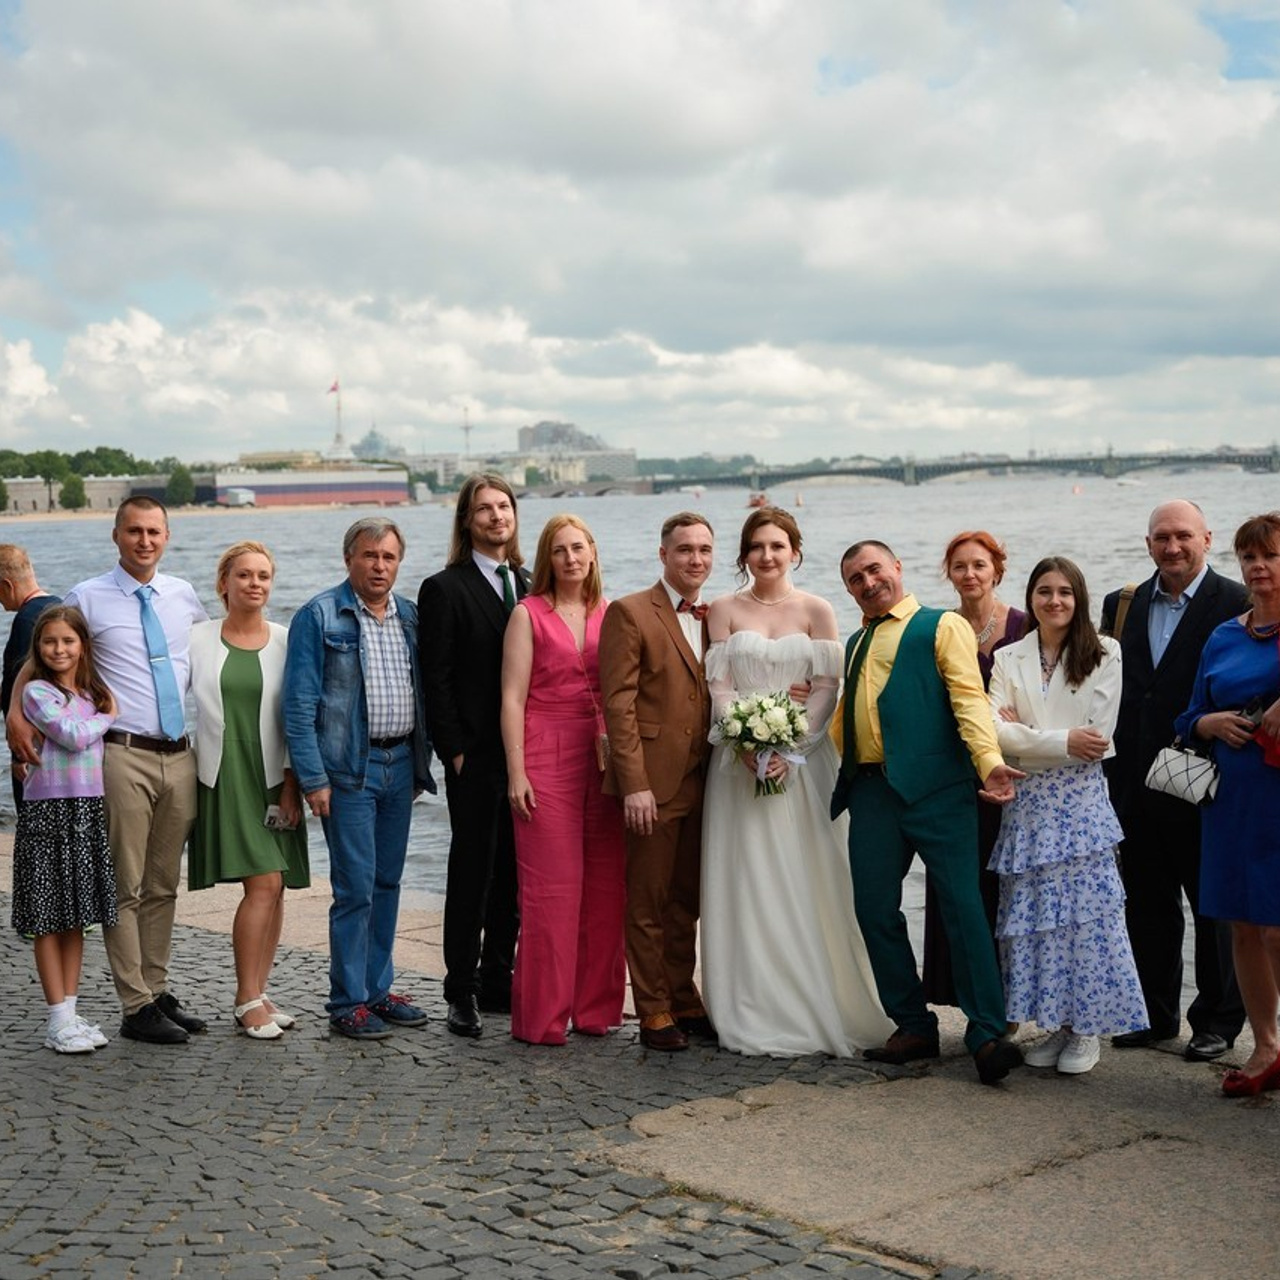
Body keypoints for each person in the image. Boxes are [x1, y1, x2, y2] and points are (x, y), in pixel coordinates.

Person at [8, 497, 210, 1045]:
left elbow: (209, 658)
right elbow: (43, 652)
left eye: (154, 532)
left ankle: (158, 986)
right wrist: (12, 714)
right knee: (125, 881)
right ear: (115, 535)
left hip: (179, 753)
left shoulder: (183, 595)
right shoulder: (87, 597)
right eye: (134, 531)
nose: (145, 541)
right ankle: (134, 1002)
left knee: (165, 883)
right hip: (120, 753)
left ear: (167, 536)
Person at [830, 540, 1025, 1085]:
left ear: (897, 567)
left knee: (963, 907)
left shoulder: (941, 626)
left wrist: (988, 763)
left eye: (873, 569)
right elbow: (855, 714)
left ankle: (987, 1034)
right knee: (873, 908)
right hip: (872, 793)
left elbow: (968, 698)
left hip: (940, 790)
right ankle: (913, 1024)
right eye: (854, 578)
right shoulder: (854, 640)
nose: (867, 582)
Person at [700, 508, 892, 1056]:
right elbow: (720, 688)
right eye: (757, 546)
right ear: (744, 555)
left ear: (795, 551)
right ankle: (753, 1003)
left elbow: (828, 687)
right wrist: (744, 744)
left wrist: (789, 748)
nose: (767, 555)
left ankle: (819, 997)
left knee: (810, 876)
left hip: (803, 765)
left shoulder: (817, 609)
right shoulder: (723, 610)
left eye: (778, 546)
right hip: (737, 768)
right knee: (748, 877)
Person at [988, 557, 1147, 1075]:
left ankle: (1087, 1031)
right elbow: (994, 733)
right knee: (1039, 922)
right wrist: (1057, 737)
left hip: (1079, 807)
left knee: (1087, 919)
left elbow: (1096, 739)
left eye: (1064, 592)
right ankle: (1056, 1022)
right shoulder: (1009, 656)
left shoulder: (1105, 652)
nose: (1053, 601)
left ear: (1078, 597)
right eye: (1043, 592)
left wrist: (1028, 734)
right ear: (1030, 597)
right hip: (1028, 806)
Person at [1102, 500, 1247, 1061]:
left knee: (1211, 905)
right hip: (1132, 780)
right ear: (1147, 544)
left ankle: (1217, 1022)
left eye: (1183, 536)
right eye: (1161, 537)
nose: (1172, 547)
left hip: (1206, 778)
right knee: (1145, 903)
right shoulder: (1122, 605)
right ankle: (1154, 1016)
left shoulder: (1234, 601)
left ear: (1207, 539)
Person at [284, 517, 436, 1041]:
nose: (379, 565)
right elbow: (299, 707)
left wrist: (422, 763)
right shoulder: (320, 615)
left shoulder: (411, 618)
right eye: (369, 556)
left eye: (389, 557)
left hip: (399, 769)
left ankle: (377, 990)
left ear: (399, 562)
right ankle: (347, 1001)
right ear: (349, 558)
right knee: (355, 889)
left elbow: (425, 696)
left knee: (388, 883)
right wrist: (312, 780)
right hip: (349, 772)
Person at [501, 515, 627, 1045]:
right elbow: (511, 697)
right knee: (551, 892)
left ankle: (597, 1010)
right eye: (559, 550)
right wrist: (517, 772)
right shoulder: (527, 614)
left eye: (578, 548)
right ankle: (542, 1018)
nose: (570, 558)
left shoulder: (612, 612)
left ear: (593, 552)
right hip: (545, 753)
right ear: (547, 559)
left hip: (603, 758)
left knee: (605, 889)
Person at [600, 513, 715, 1052]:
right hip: (652, 780)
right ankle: (652, 1011)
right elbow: (617, 704)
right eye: (685, 549)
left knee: (686, 898)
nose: (695, 559)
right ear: (663, 554)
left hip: (705, 779)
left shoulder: (716, 617)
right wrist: (634, 784)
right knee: (647, 900)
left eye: (705, 550)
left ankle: (682, 994)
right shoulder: (629, 612)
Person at [418, 473, 528, 1038]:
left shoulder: (534, 583)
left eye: (503, 506)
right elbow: (433, 677)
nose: (495, 517)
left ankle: (499, 980)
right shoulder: (445, 587)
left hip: (529, 758)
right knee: (471, 874)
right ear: (467, 520)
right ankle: (460, 989)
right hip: (475, 757)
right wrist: (453, 750)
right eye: (483, 509)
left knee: (514, 873)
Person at [1175, 512, 1280, 1096]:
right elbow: (1187, 717)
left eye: (1270, 556)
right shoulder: (1225, 634)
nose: (1258, 567)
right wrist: (1208, 722)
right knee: (1243, 926)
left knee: (1278, 931)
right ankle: (1265, 1047)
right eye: (1249, 557)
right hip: (1232, 801)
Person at [188, 542, 309, 1040]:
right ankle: (244, 999)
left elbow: (299, 715)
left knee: (276, 889)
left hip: (274, 776)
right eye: (244, 575)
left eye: (263, 576)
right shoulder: (194, 638)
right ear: (224, 584)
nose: (255, 584)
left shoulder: (286, 640)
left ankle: (259, 990)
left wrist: (293, 786)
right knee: (263, 885)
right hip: (226, 772)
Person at [922, 531, 1028, 1009]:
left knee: (1013, 887)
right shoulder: (939, 628)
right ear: (950, 573)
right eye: (960, 566)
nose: (970, 575)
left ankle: (1014, 998)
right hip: (958, 777)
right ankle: (969, 997)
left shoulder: (1023, 626)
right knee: (967, 884)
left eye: (979, 566)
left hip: (1016, 771)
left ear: (996, 571)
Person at [11, 606, 117, 1053]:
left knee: (76, 917)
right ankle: (56, 1017)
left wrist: (101, 710)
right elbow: (72, 735)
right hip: (48, 813)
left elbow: (82, 728)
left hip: (86, 811)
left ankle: (70, 1014)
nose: (59, 649)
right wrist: (109, 717)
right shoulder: (37, 692)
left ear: (82, 646)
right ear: (39, 647)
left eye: (68, 641)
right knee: (47, 920)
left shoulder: (91, 692)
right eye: (50, 641)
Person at [1, 544, 61, 806]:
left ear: (7, 585)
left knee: (34, 828)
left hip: (34, 747)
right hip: (62, 741)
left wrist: (19, 753)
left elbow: (20, 689)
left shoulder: (26, 621)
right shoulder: (61, 608)